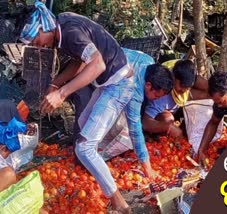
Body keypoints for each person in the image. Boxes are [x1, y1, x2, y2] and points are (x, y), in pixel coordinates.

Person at [19, 2, 173, 212]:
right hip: (108, 83)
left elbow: (97, 64)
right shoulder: (63, 27)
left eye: (37, 40)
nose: (39, 46)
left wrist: (62, 93)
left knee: (84, 147)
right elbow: (79, 61)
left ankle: (120, 203)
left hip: (118, 85)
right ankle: (97, 166)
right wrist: (55, 85)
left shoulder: (69, 31)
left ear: (43, 27)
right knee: (83, 132)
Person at [142, 59, 209, 138]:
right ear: (174, 78)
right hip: (162, 115)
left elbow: (207, 87)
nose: (184, 90)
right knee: (167, 119)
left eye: (187, 88)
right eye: (182, 86)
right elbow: (145, 123)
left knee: (208, 94)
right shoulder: (161, 95)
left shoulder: (187, 76)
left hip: (178, 110)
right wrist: (168, 127)